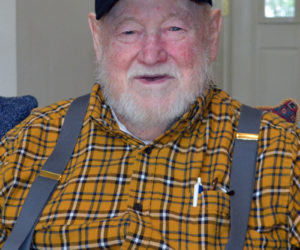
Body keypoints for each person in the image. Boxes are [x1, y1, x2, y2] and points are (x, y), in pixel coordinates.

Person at [0, 0, 299, 248]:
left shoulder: (281, 156)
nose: (152, 54)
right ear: (97, 38)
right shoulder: (26, 146)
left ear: (211, 33)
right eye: (129, 31)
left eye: (174, 28)